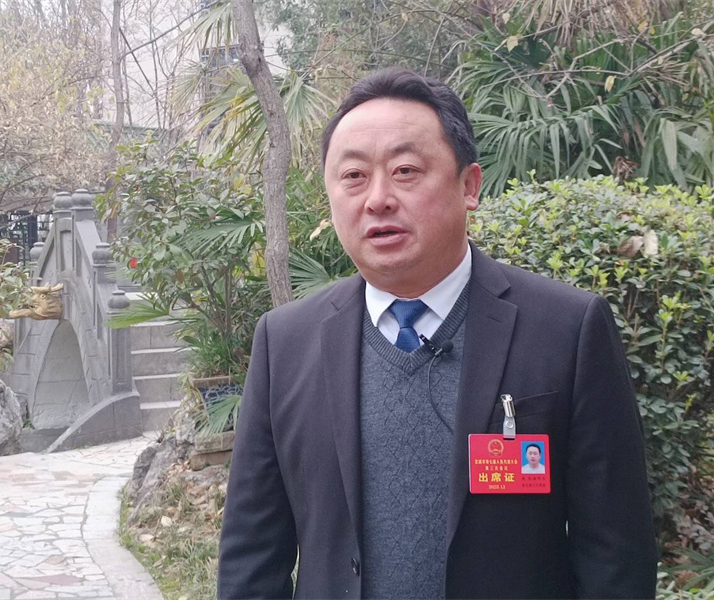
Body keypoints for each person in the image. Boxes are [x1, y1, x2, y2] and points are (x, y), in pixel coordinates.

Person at [217, 68, 657, 600]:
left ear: (469, 186)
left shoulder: (567, 328)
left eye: (405, 170)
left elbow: (615, 555)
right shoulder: (285, 341)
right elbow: (252, 555)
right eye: (353, 176)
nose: (377, 199)